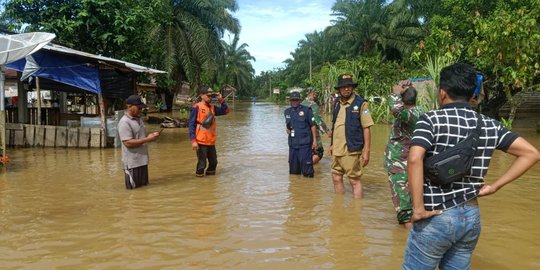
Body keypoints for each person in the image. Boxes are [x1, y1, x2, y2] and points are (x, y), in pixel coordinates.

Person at [402, 63, 540, 269]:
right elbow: (531, 154)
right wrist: (495, 186)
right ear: (471, 93)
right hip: (471, 217)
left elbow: (414, 159)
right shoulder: (489, 124)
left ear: (442, 92)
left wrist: (418, 209)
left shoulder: (430, 120)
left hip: (436, 216)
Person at [383, 81, 422, 229]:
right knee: (409, 204)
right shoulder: (419, 111)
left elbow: (396, 110)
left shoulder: (409, 115)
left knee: (405, 210)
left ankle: (408, 243)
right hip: (404, 164)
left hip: (400, 165)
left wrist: (394, 93)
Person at [329, 74, 374, 198]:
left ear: (352, 88)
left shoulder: (361, 103)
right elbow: (335, 125)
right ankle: (339, 207)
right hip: (336, 149)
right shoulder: (337, 103)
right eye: (343, 87)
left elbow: (366, 127)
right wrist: (332, 144)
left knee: (354, 180)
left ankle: (356, 211)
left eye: (348, 86)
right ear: (339, 89)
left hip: (351, 149)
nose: (346, 89)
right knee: (336, 177)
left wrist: (366, 151)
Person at [117, 95, 160, 189]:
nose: (141, 110)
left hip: (142, 161)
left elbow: (140, 137)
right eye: (139, 107)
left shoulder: (139, 119)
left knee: (144, 190)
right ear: (129, 106)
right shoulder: (124, 122)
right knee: (133, 193)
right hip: (132, 163)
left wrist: (151, 136)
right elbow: (127, 143)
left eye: (141, 108)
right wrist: (148, 139)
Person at [188, 87, 230, 177]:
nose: (210, 98)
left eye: (212, 96)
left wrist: (220, 99)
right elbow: (191, 125)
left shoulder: (213, 108)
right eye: (208, 96)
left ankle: (210, 184)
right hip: (200, 141)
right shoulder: (196, 107)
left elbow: (226, 110)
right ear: (202, 96)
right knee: (202, 165)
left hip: (211, 142)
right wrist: (193, 141)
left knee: (214, 163)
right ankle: (200, 184)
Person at [284, 91, 317, 177]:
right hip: (292, 146)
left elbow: (313, 125)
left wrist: (314, 141)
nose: (294, 102)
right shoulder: (287, 112)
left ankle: (309, 188)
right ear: (290, 101)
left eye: (296, 100)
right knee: (293, 173)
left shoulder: (307, 110)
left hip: (305, 145)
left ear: (300, 100)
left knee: (307, 172)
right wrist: (287, 130)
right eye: (292, 100)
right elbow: (288, 126)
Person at [301, 88, 330, 165]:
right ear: (311, 93)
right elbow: (317, 119)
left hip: (302, 132)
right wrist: (327, 131)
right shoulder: (313, 104)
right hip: (312, 130)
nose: (315, 95)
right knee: (319, 152)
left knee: (308, 151)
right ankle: (307, 166)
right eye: (315, 94)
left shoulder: (301, 104)